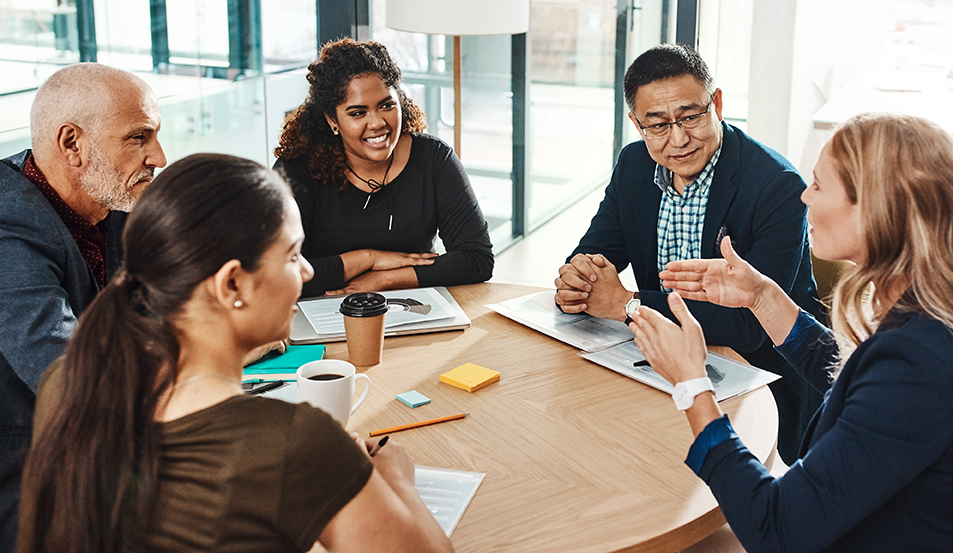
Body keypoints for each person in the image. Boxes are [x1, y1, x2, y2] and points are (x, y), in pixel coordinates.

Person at [17, 154, 454, 553]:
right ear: (232, 286)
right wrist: (397, 480)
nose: (306, 271)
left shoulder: (67, 381)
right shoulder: (294, 443)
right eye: (293, 255)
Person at [629, 113, 953, 551]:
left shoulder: (918, 360)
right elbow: (857, 382)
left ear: (874, 208)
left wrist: (692, 386)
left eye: (818, 185)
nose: (804, 195)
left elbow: (777, 530)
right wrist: (763, 297)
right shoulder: (922, 312)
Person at [554, 44, 821, 463]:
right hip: (657, 365)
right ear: (636, 123)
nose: (678, 139)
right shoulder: (634, 165)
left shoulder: (777, 185)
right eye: (657, 125)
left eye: (691, 117)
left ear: (716, 103)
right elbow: (598, 250)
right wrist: (579, 279)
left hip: (757, 376)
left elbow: (751, 326)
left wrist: (627, 305)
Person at [0, 62, 166, 551]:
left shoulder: (108, 201)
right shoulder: (10, 230)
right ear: (72, 144)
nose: (158, 155)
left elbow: (162, 306)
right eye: (139, 138)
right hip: (30, 479)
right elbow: (72, 374)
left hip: (111, 449)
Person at [274, 38, 493, 298]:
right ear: (332, 120)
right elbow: (276, 274)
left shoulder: (434, 158)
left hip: (413, 309)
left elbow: (477, 259)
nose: (377, 123)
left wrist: (385, 280)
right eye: (358, 113)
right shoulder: (296, 171)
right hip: (320, 313)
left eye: (387, 105)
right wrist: (368, 259)